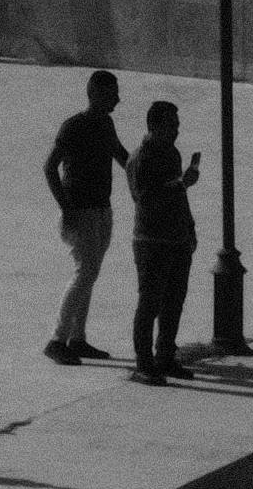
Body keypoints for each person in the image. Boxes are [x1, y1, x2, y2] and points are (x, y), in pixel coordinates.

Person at [44, 65, 124, 363]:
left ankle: (77, 339)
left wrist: (147, 176)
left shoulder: (106, 124)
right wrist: (66, 208)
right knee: (84, 273)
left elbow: (121, 156)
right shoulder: (73, 127)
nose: (117, 100)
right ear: (95, 94)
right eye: (112, 94)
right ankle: (57, 340)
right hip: (81, 211)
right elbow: (50, 167)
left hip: (102, 209)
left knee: (90, 274)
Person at [125, 97, 202, 381]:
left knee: (174, 301)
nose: (176, 131)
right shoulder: (140, 159)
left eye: (178, 125)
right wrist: (182, 183)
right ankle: (143, 364)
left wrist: (190, 228)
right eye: (171, 125)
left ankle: (165, 356)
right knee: (150, 303)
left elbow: (179, 196)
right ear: (154, 126)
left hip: (177, 239)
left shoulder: (172, 154)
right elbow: (143, 198)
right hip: (151, 241)